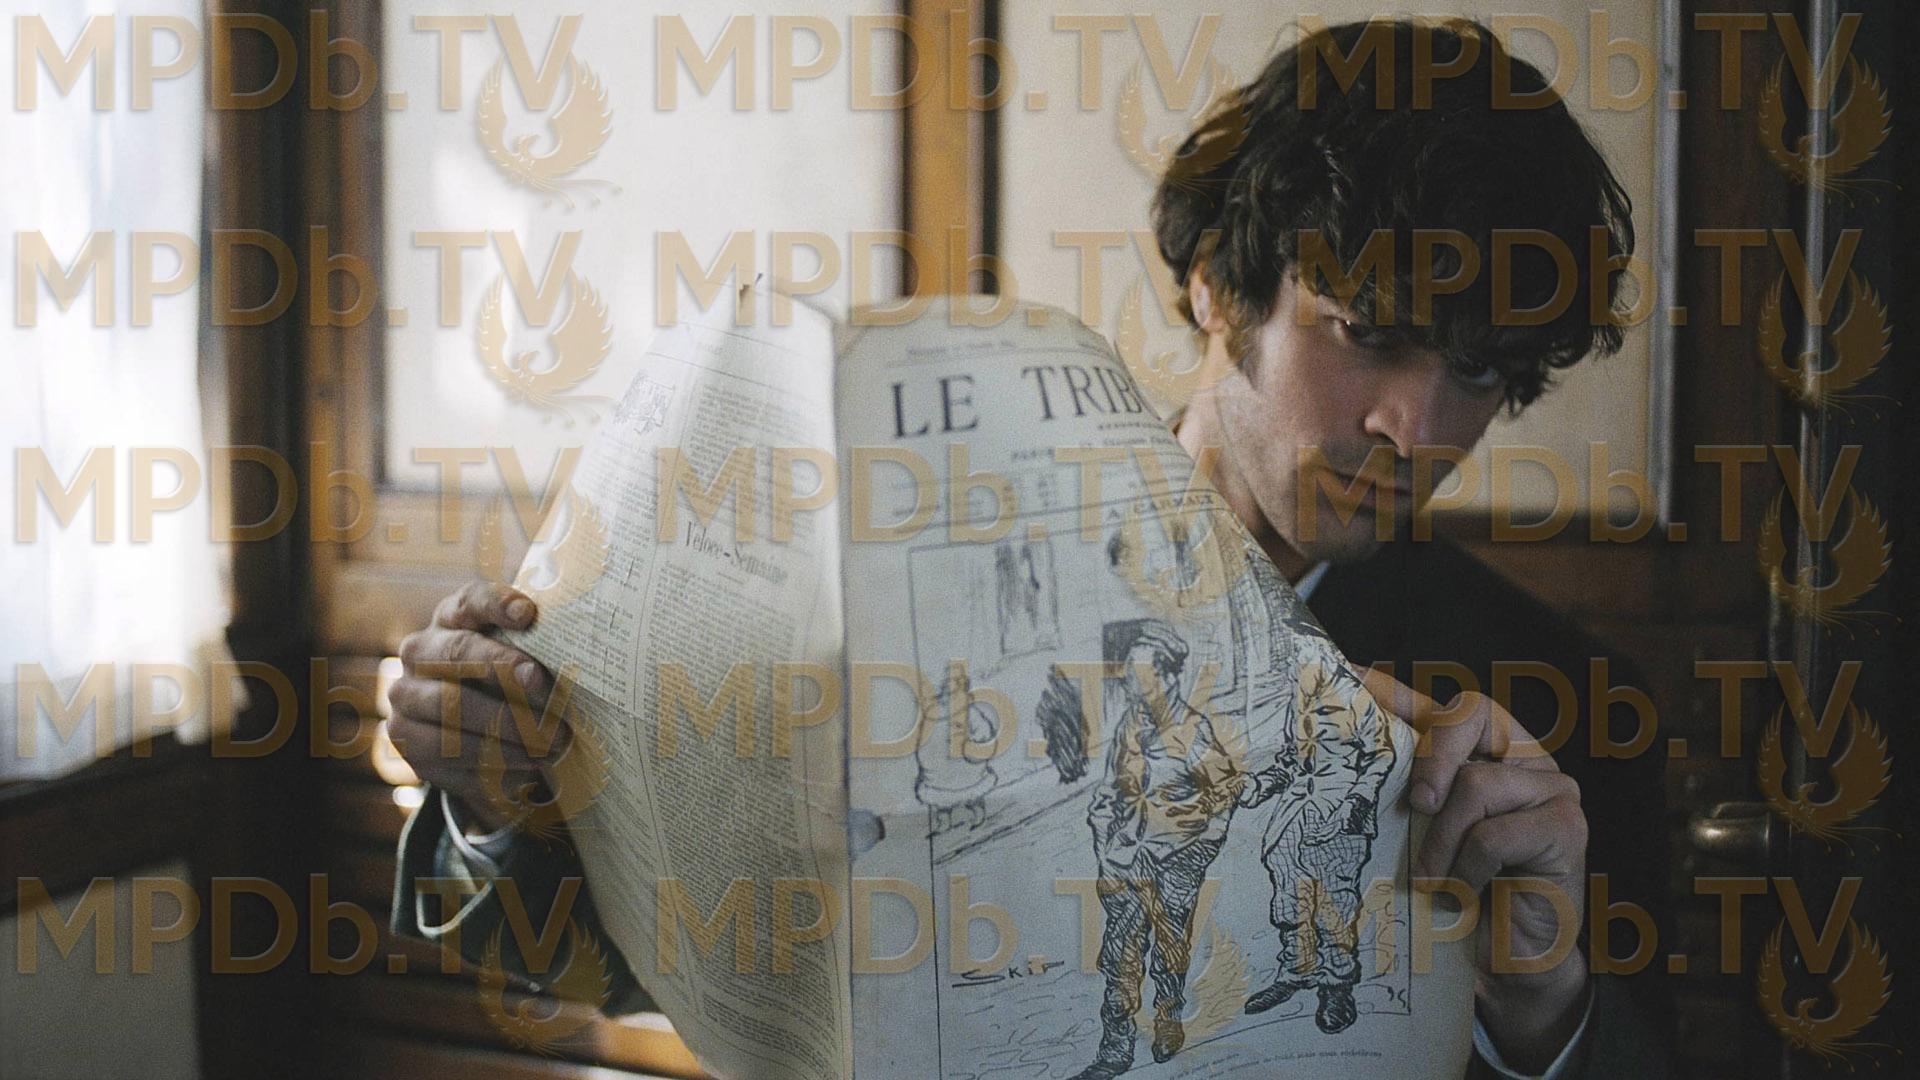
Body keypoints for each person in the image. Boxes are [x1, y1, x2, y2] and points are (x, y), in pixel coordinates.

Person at [388, 17, 1671, 1078]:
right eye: (1370, 333)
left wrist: (1541, 1002)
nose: (1416, 428)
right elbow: (596, 966)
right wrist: (496, 806)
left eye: (1479, 374)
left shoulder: (1558, 718)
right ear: (1219, 286)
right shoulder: (908, 584)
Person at [1239, 660, 1395, 1034]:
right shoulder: (1296, 696)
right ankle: (1296, 971)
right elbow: (1289, 761)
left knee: (1334, 905)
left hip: (1339, 813)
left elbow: (1382, 754)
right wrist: (1257, 786)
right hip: (1293, 815)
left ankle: (1337, 985)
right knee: (1289, 897)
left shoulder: (1355, 695)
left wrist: (1355, 801)